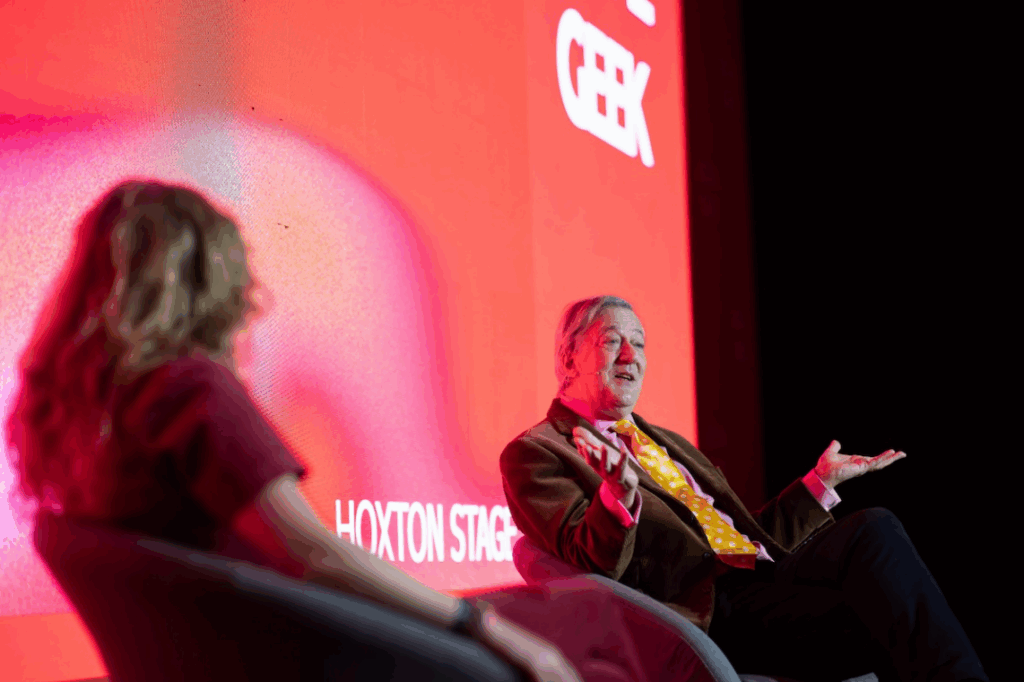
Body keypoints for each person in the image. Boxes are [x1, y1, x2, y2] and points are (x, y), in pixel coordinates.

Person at [6, 181, 579, 682]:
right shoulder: (190, 390)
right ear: (215, 279)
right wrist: (478, 623)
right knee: (576, 634)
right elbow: (313, 553)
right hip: (293, 657)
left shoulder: (73, 416)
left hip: (229, 657)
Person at [500, 295, 988, 682]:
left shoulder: (663, 440)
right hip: (709, 607)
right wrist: (618, 494)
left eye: (641, 343)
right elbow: (590, 568)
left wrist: (820, 483)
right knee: (896, 615)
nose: (632, 356)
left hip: (760, 577)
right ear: (569, 357)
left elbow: (748, 534)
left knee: (877, 542)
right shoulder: (537, 453)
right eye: (612, 341)